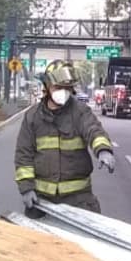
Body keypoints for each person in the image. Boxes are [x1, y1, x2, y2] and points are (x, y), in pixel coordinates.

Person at [15, 59, 116, 216]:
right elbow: (24, 155)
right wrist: (26, 189)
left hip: (78, 200)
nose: (63, 91)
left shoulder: (80, 112)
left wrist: (103, 150)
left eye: (67, 88)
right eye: (58, 87)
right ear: (47, 87)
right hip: (42, 201)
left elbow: (94, 130)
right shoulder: (33, 117)